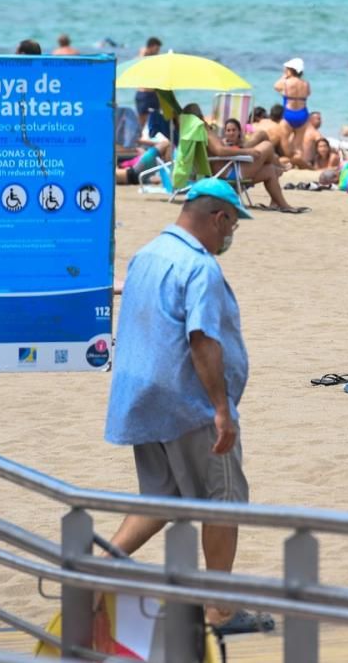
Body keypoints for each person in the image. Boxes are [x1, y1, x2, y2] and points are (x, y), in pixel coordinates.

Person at [104, 178, 252, 628]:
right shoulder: (198, 266)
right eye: (231, 227)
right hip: (187, 403)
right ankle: (218, 608)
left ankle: (95, 571)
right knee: (222, 500)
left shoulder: (147, 254)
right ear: (219, 217)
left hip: (142, 397)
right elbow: (202, 341)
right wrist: (222, 410)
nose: (229, 237)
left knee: (161, 497)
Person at [183, 103, 304, 213]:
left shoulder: (194, 133)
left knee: (270, 170)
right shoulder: (206, 131)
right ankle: (280, 169)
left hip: (225, 170)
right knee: (266, 145)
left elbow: (216, 151)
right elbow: (219, 150)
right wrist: (247, 151)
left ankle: (283, 204)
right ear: (200, 116)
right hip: (229, 172)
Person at [273, 58, 311, 163]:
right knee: (298, 143)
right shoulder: (305, 83)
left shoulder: (286, 82)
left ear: (291, 70)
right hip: (302, 113)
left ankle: (289, 160)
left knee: (285, 140)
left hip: (288, 113)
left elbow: (276, 86)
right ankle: (297, 160)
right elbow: (308, 93)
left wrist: (284, 76)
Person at [135, 37, 163, 130]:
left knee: (156, 119)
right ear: (150, 47)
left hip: (154, 93)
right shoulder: (142, 56)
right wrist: (143, 53)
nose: (158, 52)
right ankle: (138, 139)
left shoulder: (155, 59)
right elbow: (138, 65)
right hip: (144, 93)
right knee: (142, 121)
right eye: (156, 49)